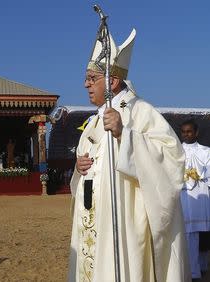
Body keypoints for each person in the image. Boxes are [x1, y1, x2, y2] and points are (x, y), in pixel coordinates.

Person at [68, 28, 190, 281]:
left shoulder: (141, 112)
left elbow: (172, 160)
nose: (85, 84)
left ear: (112, 81)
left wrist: (127, 136)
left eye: (92, 78)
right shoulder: (93, 122)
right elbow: (89, 164)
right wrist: (79, 169)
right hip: (94, 218)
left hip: (124, 222)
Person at [179, 119, 210, 279]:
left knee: (203, 234)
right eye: (183, 131)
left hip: (201, 196)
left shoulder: (206, 151)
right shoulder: (176, 151)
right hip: (184, 196)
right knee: (189, 234)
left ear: (196, 132)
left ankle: (203, 266)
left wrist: (200, 174)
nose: (186, 134)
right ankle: (194, 271)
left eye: (189, 131)